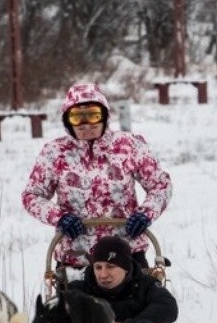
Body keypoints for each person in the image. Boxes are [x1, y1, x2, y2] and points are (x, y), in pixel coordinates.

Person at [22, 82, 172, 268]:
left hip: (126, 253)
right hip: (76, 256)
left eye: (93, 115)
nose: (86, 125)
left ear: (105, 116)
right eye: (77, 118)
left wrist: (145, 214)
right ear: (68, 120)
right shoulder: (55, 153)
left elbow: (160, 185)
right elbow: (32, 196)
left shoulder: (128, 146)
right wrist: (59, 217)